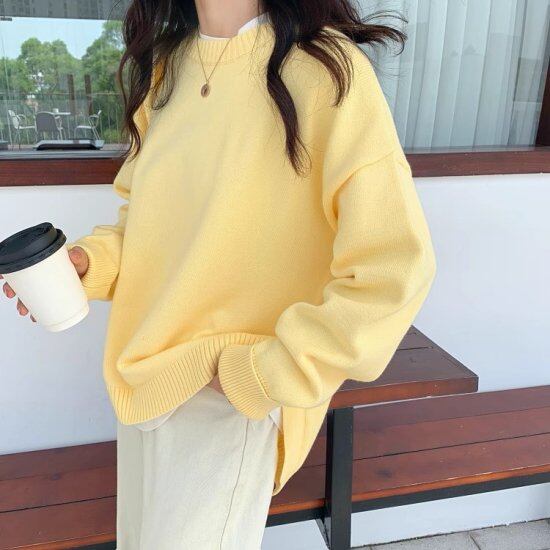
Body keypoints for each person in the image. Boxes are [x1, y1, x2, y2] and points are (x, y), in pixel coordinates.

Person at [1, 1, 437, 548]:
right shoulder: (168, 66)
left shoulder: (326, 69)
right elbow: (150, 226)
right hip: (144, 380)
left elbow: (394, 267)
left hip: (230, 396)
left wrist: (267, 373)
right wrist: (88, 264)